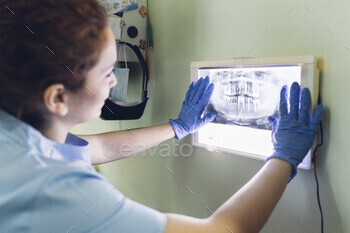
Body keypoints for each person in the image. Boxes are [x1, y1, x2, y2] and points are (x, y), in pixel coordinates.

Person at [0, 0, 323, 232]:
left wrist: (176, 127)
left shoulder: (14, 129)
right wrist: (282, 159)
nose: (114, 82)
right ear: (58, 97)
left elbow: (97, 149)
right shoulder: (56, 191)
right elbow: (225, 230)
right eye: (107, 72)